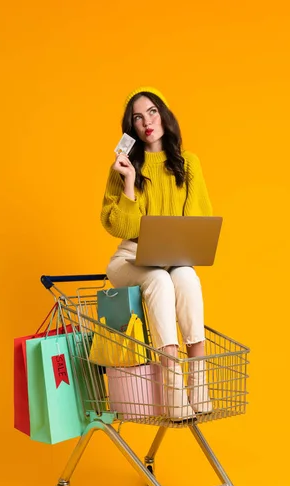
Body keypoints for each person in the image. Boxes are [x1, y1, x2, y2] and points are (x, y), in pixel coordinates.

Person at [101, 86, 213, 420]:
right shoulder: (123, 168)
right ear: (131, 127)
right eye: (138, 117)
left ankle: (200, 385)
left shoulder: (188, 164)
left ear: (163, 114)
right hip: (130, 259)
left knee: (187, 278)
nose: (147, 121)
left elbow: (198, 219)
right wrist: (130, 184)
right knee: (159, 280)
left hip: (172, 257)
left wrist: (176, 244)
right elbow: (119, 225)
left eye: (152, 111)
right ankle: (174, 390)